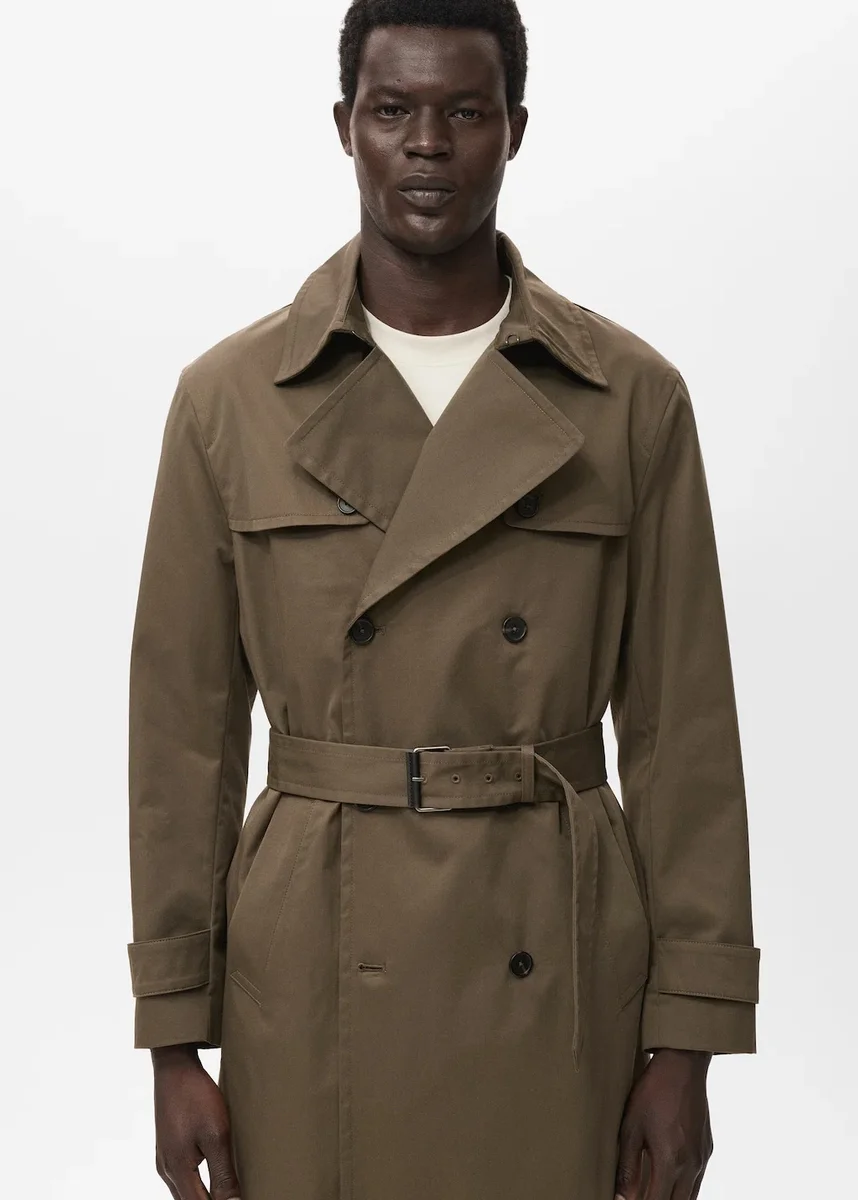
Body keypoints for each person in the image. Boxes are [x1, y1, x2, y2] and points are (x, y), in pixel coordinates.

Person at [125, 2, 761, 1198]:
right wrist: (172, 1040)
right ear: (344, 126)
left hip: (555, 965)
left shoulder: (630, 399)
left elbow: (685, 737)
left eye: (464, 111)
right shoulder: (231, 401)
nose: (427, 144)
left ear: (514, 128)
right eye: (393, 110)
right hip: (313, 976)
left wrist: (690, 1045)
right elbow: (181, 741)